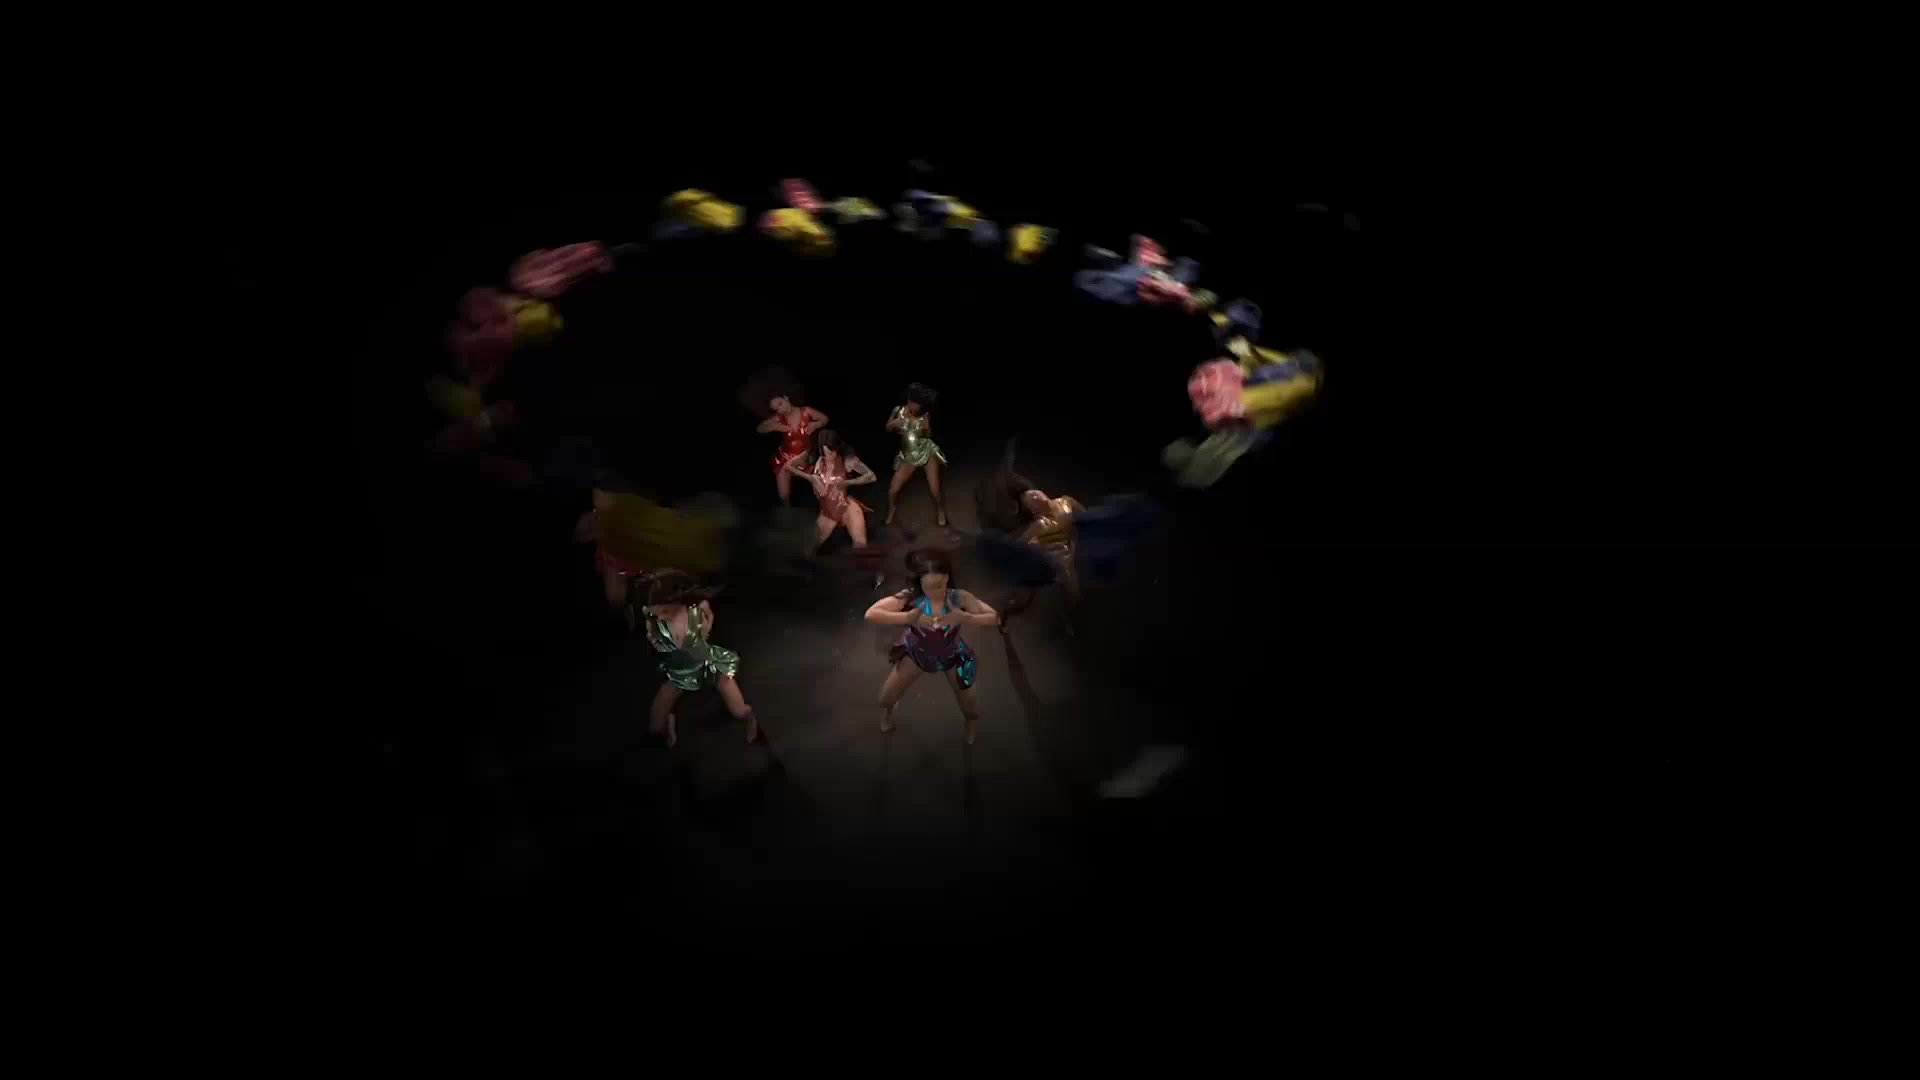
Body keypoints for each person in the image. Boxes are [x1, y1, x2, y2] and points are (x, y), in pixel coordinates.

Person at [864, 549, 998, 745]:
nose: (936, 592)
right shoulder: (910, 596)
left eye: (940, 585)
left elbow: (995, 618)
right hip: (917, 654)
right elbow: (871, 614)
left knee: (971, 706)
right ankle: (889, 713)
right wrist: (907, 617)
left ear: (947, 577)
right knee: (885, 698)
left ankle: (970, 723)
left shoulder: (960, 597)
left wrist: (966, 617)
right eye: (929, 587)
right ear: (919, 583)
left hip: (953, 655)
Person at [974, 438, 1084, 635]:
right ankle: (1003, 613)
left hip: (1066, 557)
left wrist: (1077, 541)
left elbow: (1085, 518)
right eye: (1030, 501)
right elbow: (1017, 544)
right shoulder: (1038, 525)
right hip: (1042, 560)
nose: (1034, 497)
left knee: (1073, 593)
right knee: (1022, 597)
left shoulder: (1067, 502)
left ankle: (1069, 620)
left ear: (1042, 491)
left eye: (1034, 494)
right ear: (1033, 511)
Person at [639, 570, 757, 748]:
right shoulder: (657, 614)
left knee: (738, 707)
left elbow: (707, 616)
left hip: (706, 659)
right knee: (660, 710)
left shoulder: (696, 608)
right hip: (681, 665)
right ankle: (660, 729)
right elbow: (654, 636)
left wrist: (704, 631)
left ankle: (748, 716)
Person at [884, 382, 948, 528]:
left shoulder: (925, 414)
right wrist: (894, 423)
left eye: (921, 405)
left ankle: (940, 510)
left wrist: (926, 428)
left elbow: (929, 434)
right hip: (907, 456)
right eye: (917, 405)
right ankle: (892, 509)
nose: (918, 408)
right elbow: (887, 427)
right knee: (893, 490)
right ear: (910, 402)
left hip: (926, 452)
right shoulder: (898, 410)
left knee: (935, 489)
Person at [757, 392, 829, 506]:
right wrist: (774, 427)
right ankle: (786, 507)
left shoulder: (806, 411)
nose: (780, 409)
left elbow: (824, 419)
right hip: (787, 454)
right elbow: (760, 429)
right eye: (776, 409)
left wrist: (816, 424)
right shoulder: (779, 418)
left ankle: (828, 503)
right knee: (782, 473)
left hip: (807, 453)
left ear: (786, 398)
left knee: (816, 478)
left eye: (780, 404)